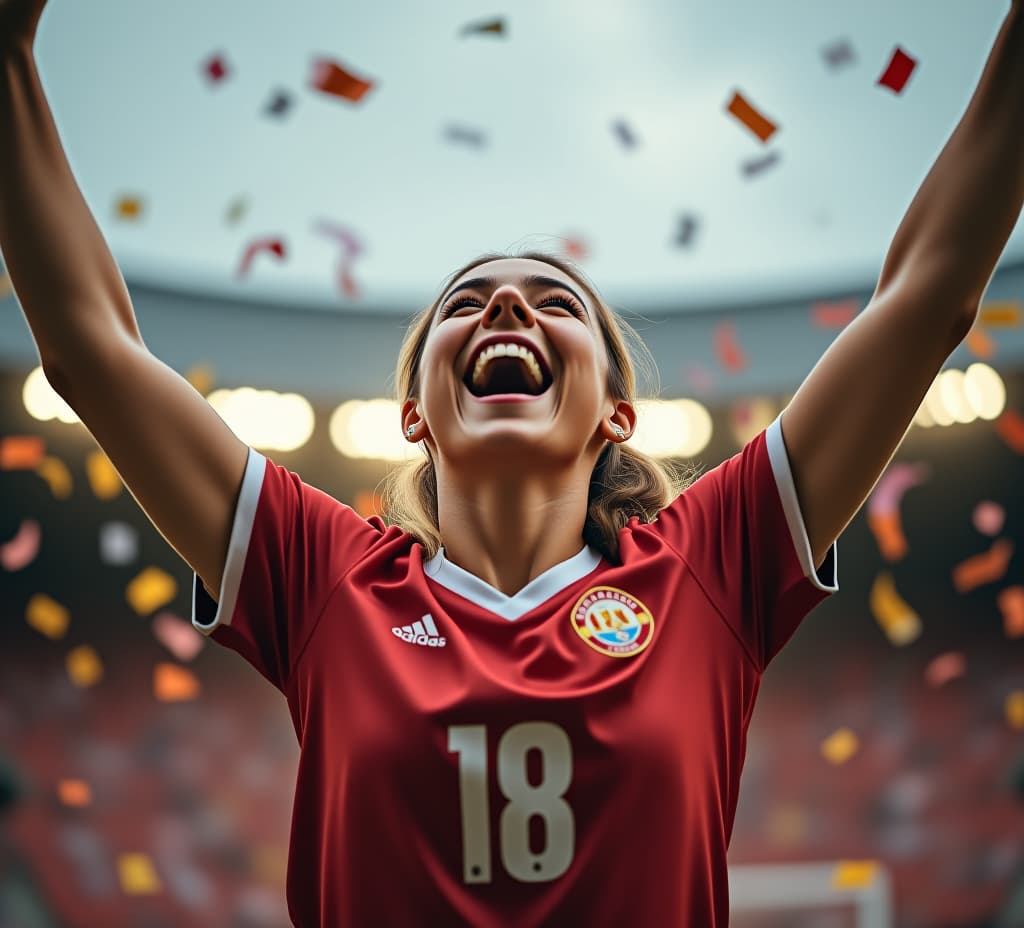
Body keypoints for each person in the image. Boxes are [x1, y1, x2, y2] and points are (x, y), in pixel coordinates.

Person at [2, 0, 1022, 924]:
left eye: (555, 301)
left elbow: (926, 298)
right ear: (414, 416)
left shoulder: (710, 564)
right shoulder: (323, 578)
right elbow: (92, 355)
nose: (503, 304)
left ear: (615, 414)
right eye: (464, 301)